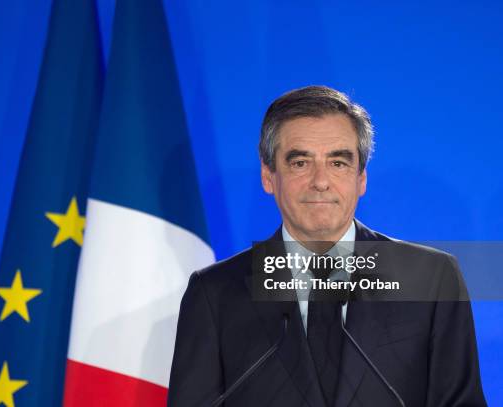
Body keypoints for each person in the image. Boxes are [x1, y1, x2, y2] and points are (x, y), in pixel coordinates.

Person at [167, 86, 487, 407]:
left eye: (338, 163)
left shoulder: (430, 279)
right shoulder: (213, 294)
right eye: (300, 163)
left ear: (361, 178)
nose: (321, 181)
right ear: (268, 176)